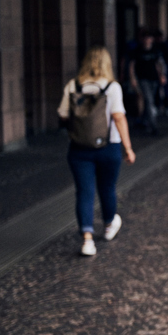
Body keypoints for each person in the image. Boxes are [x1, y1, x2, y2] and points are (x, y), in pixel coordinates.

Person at [58, 46, 136, 256]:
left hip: (79, 148)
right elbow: (119, 117)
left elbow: (63, 116)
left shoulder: (73, 85)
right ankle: (109, 224)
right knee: (107, 188)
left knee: (84, 192)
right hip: (108, 147)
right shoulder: (112, 88)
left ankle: (87, 240)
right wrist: (128, 148)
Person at [128, 29, 166, 134]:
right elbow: (132, 65)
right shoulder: (137, 50)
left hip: (153, 78)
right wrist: (133, 78)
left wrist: (162, 75)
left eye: (149, 38)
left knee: (148, 101)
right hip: (143, 79)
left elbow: (159, 64)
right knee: (149, 101)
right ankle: (153, 126)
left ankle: (142, 120)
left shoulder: (155, 50)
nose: (147, 40)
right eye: (145, 38)